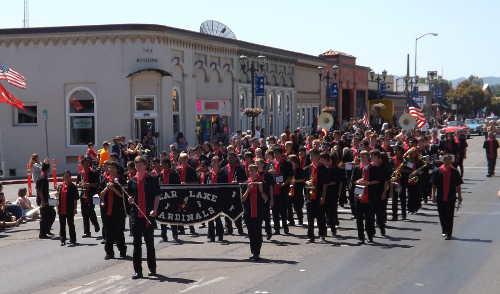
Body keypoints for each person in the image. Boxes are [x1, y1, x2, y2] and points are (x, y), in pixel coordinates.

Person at [127, 156, 160, 279]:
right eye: (136, 163)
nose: (138, 165)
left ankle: (152, 268)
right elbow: (130, 198)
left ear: (145, 165)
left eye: (140, 163)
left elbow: (157, 196)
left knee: (149, 244)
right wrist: (130, 200)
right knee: (136, 244)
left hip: (148, 216)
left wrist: (155, 209)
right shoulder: (131, 181)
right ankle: (138, 271)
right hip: (136, 216)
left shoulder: (152, 179)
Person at [100, 161, 127, 259]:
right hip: (106, 209)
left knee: (119, 231)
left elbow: (123, 195)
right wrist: (106, 189)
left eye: (112, 168)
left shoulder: (121, 180)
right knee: (108, 232)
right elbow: (101, 195)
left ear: (116, 169)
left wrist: (114, 189)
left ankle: (122, 250)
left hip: (118, 210)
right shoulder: (105, 180)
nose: (110, 170)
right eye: (109, 168)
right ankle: (109, 252)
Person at [432, 154, 463, 240]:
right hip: (440, 197)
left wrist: (460, 196)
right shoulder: (437, 171)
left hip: (451, 196)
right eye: (445, 159)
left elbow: (458, 185)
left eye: (449, 160)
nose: (447, 161)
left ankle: (449, 233)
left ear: (451, 161)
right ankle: (444, 230)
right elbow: (434, 185)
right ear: (443, 160)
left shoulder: (455, 171)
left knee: (449, 215)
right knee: (442, 215)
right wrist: (433, 195)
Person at [242, 164, 268, 261]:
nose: (251, 172)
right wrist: (248, 189)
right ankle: (253, 252)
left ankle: (257, 252)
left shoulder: (262, 182)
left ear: (256, 171)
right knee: (250, 233)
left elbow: (266, 199)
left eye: (252, 170)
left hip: (258, 211)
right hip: (248, 212)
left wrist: (261, 191)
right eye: (249, 171)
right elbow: (243, 199)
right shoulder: (246, 183)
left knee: (257, 232)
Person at [77, 157, 100, 238]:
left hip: (91, 194)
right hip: (83, 194)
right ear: (82, 164)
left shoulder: (93, 172)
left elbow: (97, 184)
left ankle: (95, 224)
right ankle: (87, 232)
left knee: (90, 210)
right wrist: (80, 184)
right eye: (84, 163)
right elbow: (77, 184)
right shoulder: (80, 173)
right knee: (84, 213)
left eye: (87, 163)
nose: (86, 165)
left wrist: (89, 184)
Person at [158, 159, 181, 242]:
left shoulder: (174, 174)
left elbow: (178, 187)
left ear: (167, 164)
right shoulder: (160, 174)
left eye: (163, 164)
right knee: (162, 216)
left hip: (172, 199)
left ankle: (175, 235)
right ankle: (163, 235)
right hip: (162, 199)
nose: (161, 165)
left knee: (173, 216)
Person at [57, 171, 78, 246]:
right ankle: (62, 239)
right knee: (62, 225)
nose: (66, 178)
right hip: (61, 208)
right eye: (64, 176)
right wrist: (57, 207)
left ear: (70, 177)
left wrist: (75, 209)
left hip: (69, 208)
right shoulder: (60, 186)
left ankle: (73, 239)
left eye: (67, 176)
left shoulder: (73, 186)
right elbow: (58, 198)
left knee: (71, 224)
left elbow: (75, 199)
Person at [36, 162, 56, 239]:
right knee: (44, 217)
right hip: (43, 200)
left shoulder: (43, 176)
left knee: (52, 213)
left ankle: (47, 230)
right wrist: (43, 201)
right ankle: (42, 233)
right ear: (47, 169)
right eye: (49, 168)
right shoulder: (42, 177)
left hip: (46, 199)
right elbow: (40, 190)